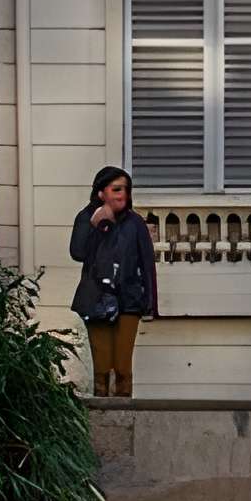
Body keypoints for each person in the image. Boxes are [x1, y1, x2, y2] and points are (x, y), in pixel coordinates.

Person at [71, 165, 158, 399]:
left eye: (126, 190)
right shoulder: (86, 217)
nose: (122, 195)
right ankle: (102, 421)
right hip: (96, 299)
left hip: (129, 300)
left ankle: (123, 416)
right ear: (101, 192)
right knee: (101, 368)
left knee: (122, 367)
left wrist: (150, 303)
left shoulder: (135, 223)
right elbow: (77, 252)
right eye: (116, 189)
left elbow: (147, 263)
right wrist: (96, 226)